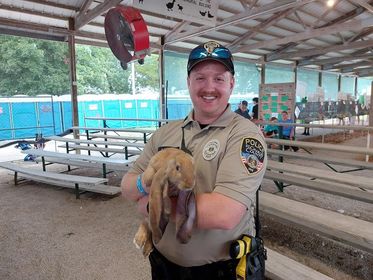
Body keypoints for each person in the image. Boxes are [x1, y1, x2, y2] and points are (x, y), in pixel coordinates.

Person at [121, 40, 267, 280]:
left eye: (219, 79)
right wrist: (144, 184)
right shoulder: (165, 133)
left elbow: (223, 213)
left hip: (219, 271)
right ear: (188, 82)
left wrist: (151, 204)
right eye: (200, 78)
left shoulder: (244, 135)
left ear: (231, 84)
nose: (209, 87)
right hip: (162, 266)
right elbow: (127, 186)